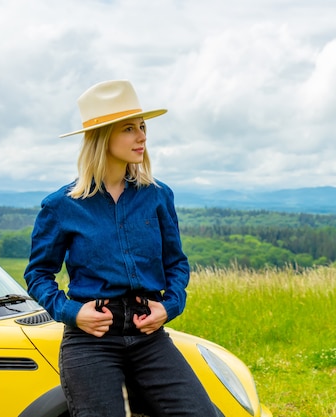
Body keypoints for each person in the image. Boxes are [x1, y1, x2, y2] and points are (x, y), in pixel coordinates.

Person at [24, 80, 218, 417]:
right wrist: (72, 312)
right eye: (130, 129)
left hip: (149, 335)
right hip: (91, 340)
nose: (142, 136)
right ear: (102, 137)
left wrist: (169, 305)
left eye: (142, 127)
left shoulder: (157, 196)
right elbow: (38, 274)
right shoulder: (61, 205)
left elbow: (176, 264)